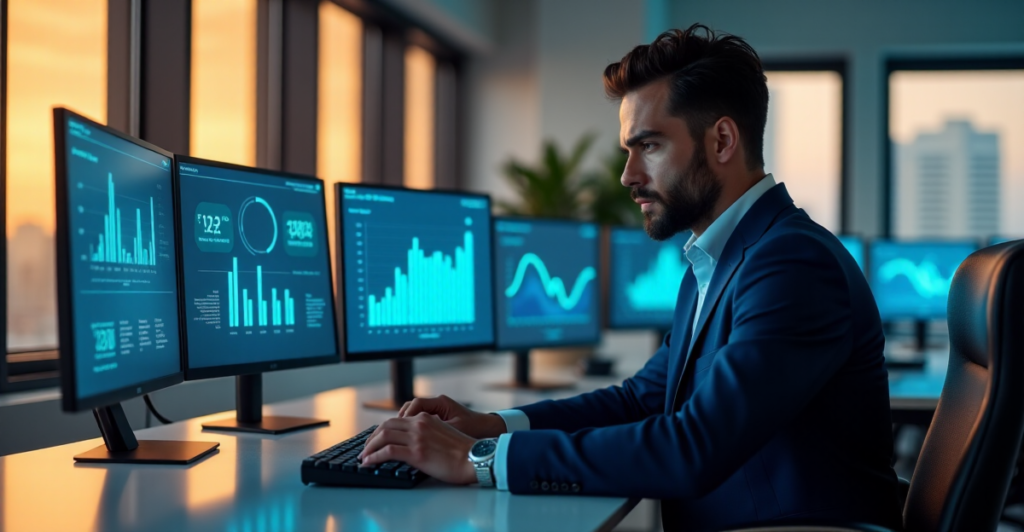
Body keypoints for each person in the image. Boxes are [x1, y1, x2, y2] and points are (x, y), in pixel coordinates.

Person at [360, 24, 902, 530]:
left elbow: (694, 446)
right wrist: (494, 427)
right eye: (629, 150)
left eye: (649, 146)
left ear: (721, 142)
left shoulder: (791, 265)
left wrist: (477, 460)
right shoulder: (718, 258)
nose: (628, 176)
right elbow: (644, 398)